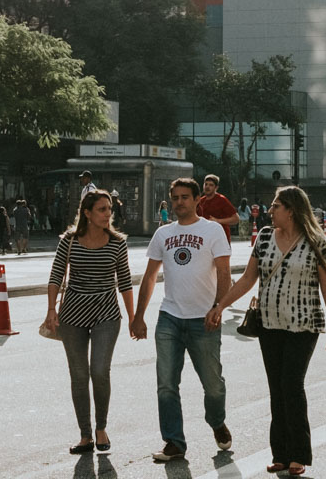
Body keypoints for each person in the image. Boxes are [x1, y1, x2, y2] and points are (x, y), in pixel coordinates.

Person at [212, 186, 326, 477]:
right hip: (269, 323)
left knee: (291, 386)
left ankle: (299, 454)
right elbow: (247, 279)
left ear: (291, 210)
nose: (270, 211)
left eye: (276, 206)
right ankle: (280, 454)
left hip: (304, 325)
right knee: (276, 389)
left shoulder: (316, 241)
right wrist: (221, 305)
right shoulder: (265, 237)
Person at [133, 177, 233, 463]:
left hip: (204, 320)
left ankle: (216, 421)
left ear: (198, 199)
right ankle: (174, 442)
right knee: (166, 383)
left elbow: (224, 274)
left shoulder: (212, 231)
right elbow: (150, 276)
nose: (179, 202)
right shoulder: (163, 234)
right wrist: (138, 316)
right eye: (174, 197)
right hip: (170, 318)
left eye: (185, 197)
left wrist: (218, 307)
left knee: (212, 384)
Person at [46, 189, 135, 455]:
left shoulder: (118, 243)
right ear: (87, 213)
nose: (108, 214)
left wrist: (134, 317)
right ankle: (85, 435)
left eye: (109, 209)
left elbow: (126, 282)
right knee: (79, 375)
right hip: (72, 315)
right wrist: (51, 309)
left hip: (106, 314)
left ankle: (101, 428)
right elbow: (56, 275)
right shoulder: (69, 241)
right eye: (102, 209)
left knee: (99, 371)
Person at [197, 174, 241, 239]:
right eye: (206, 184)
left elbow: (236, 219)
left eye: (211, 185)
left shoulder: (221, 200)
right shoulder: (200, 201)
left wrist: (217, 221)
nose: (207, 187)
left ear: (216, 188)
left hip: (221, 238)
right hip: (205, 238)